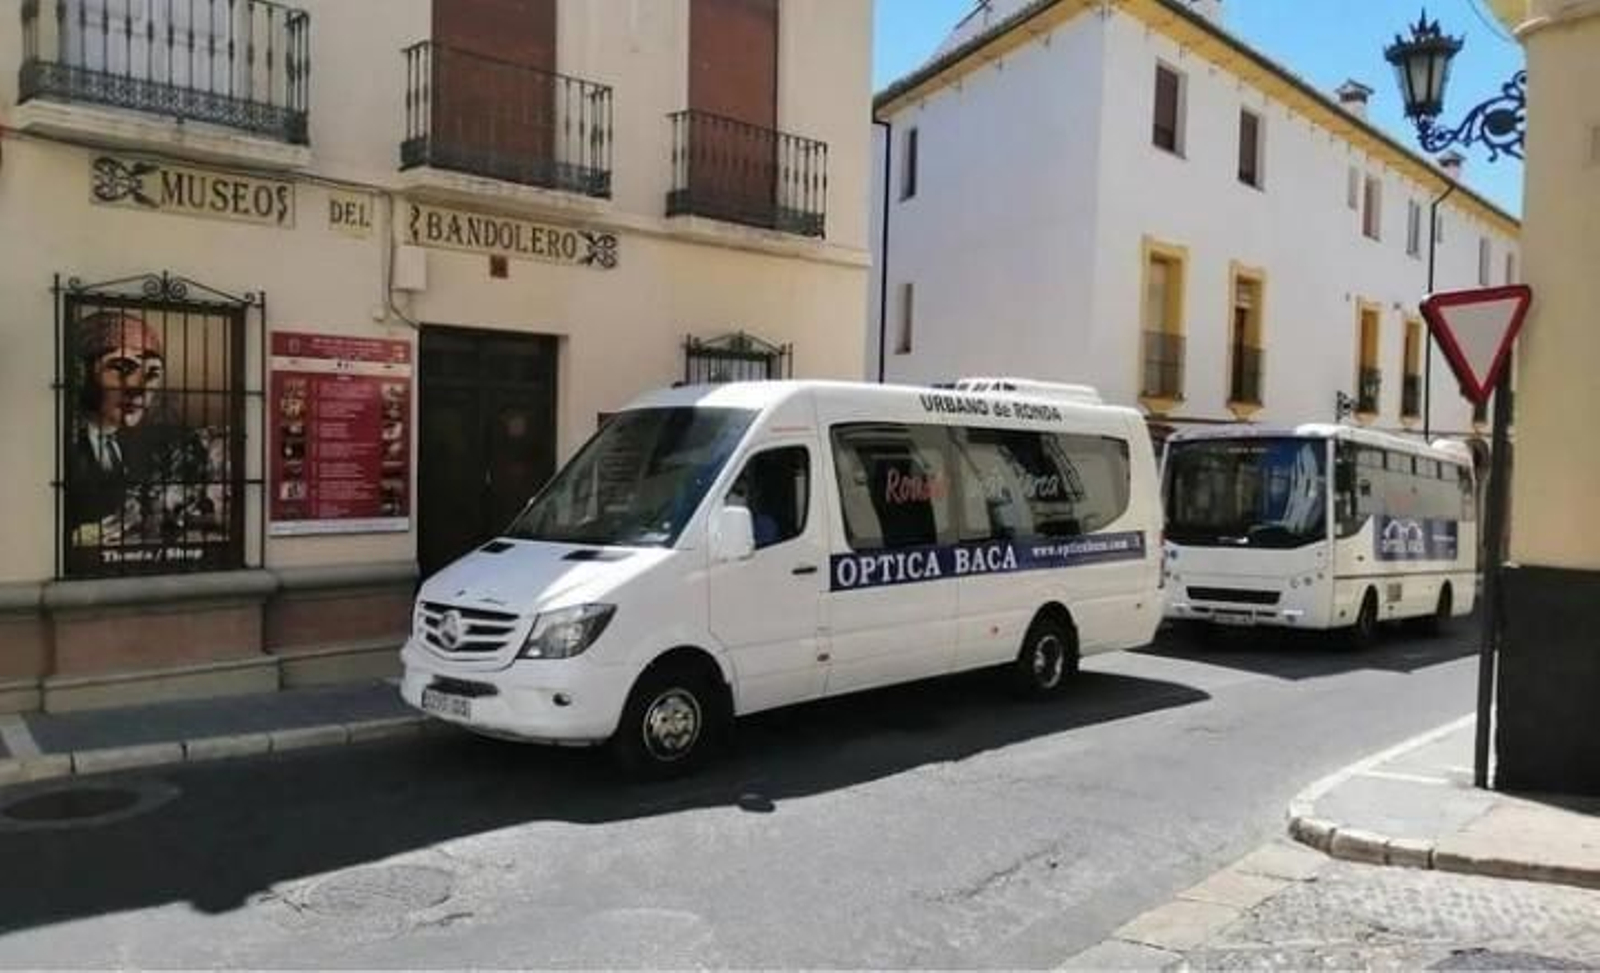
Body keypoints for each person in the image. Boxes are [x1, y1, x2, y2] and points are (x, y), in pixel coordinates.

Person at [67, 309, 224, 551]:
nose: (139, 388)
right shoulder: (62, 443)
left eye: (152, 374)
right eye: (121, 368)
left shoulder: (148, 446)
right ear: (81, 373)